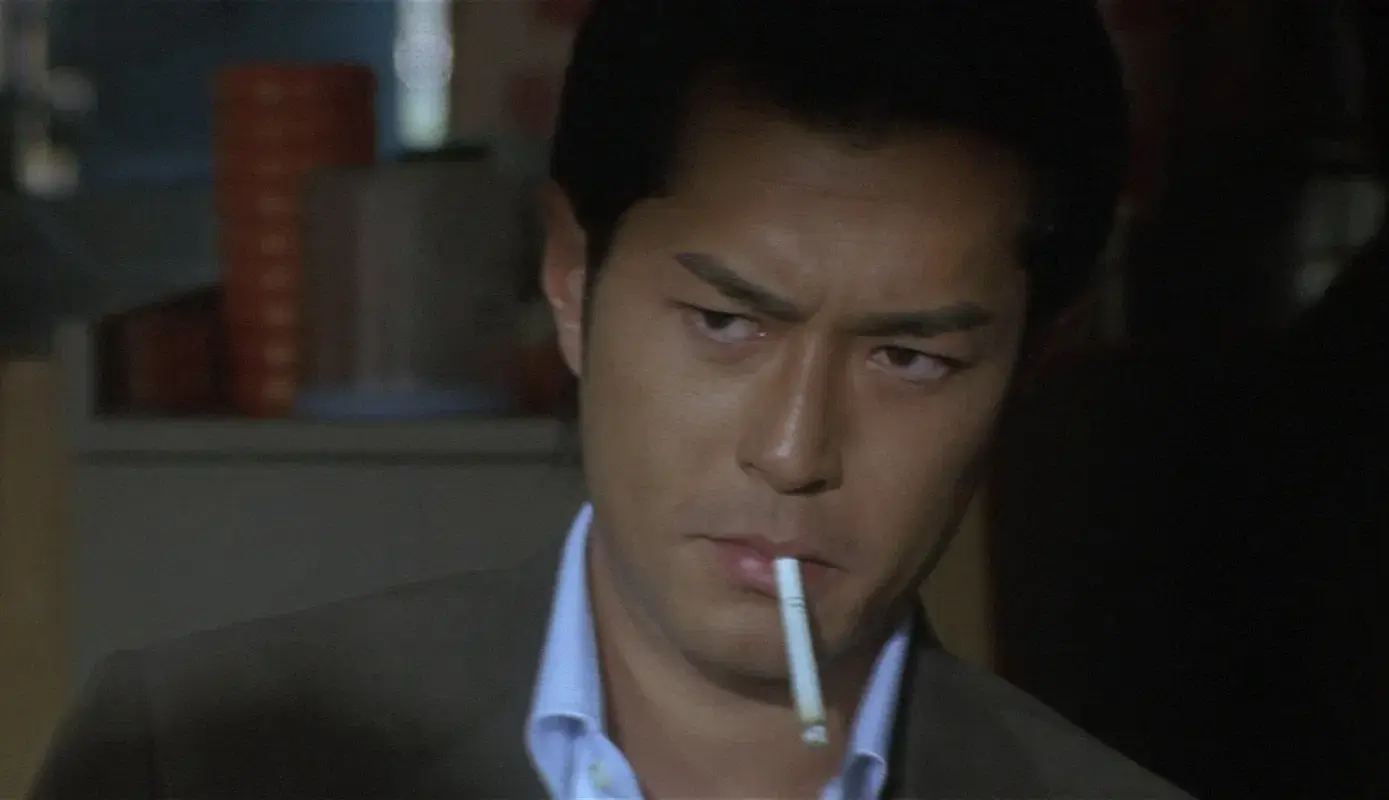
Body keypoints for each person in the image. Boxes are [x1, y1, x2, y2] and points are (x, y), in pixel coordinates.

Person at [30, 1, 1193, 797]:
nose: (794, 450)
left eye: (909, 359)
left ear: (1026, 367)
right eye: (726, 323)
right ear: (570, 277)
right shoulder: (189, 756)